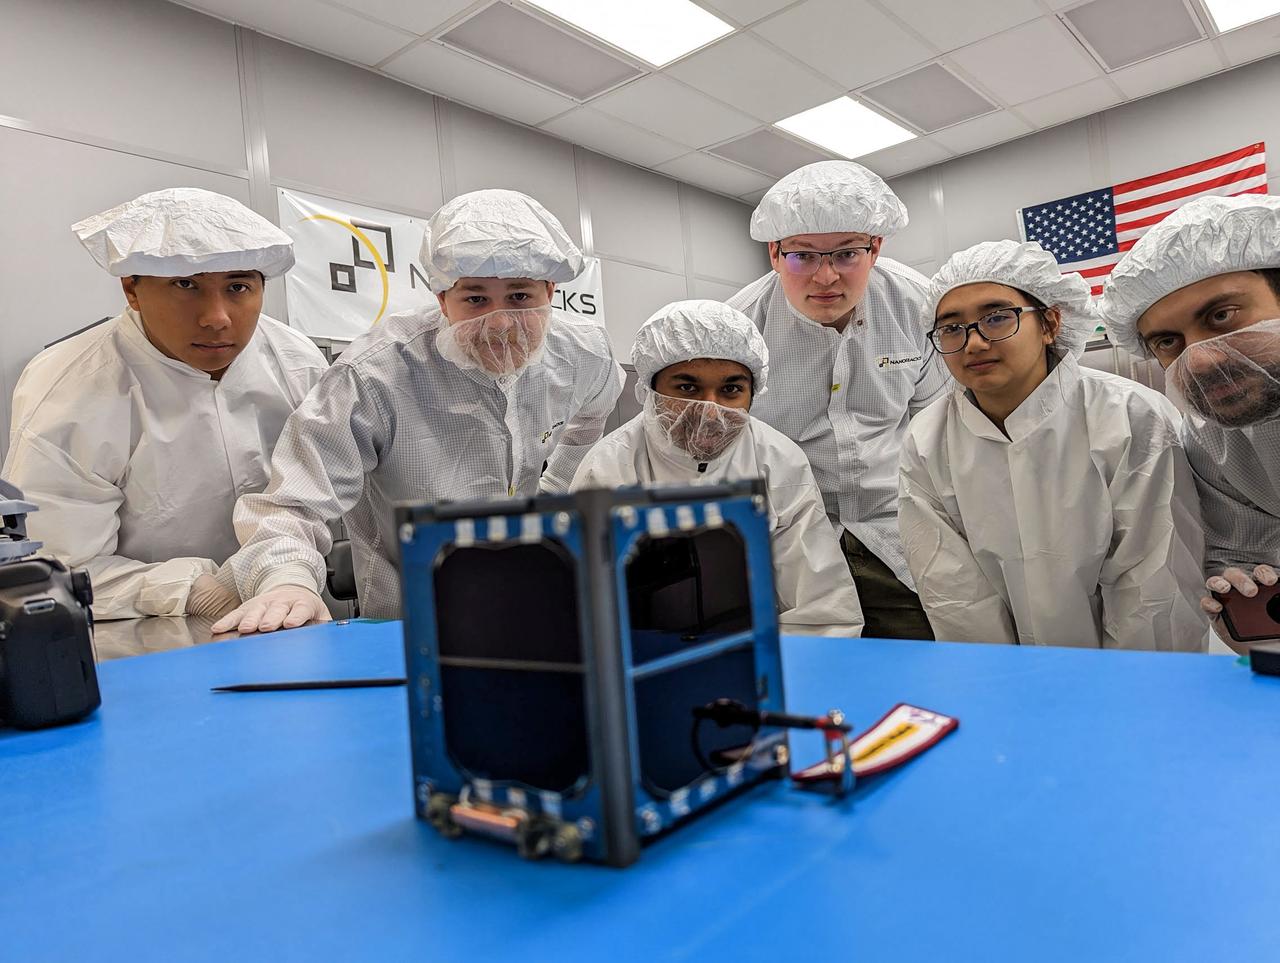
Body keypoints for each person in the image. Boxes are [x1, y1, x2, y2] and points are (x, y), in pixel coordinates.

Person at [212, 189, 623, 634]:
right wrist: (286, 580)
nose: (501, 323)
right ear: (443, 300)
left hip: (526, 592)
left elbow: (591, 419)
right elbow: (295, 499)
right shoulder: (375, 374)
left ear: (550, 293)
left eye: (520, 297)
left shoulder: (584, 353)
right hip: (410, 612)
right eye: (476, 299)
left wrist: (553, 490)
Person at [3, 188, 328, 620]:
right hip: (138, 635)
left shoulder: (295, 361)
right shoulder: (70, 387)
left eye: (238, 286)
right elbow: (56, 566)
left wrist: (286, 574)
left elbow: (311, 495)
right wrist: (189, 590)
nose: (217, 317)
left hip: (286, 616)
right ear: (131, 291)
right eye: (185, 285)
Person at [899, 239, 1206, 649]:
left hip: (1133, 676)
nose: (973, 343)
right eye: (951, 328)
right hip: (1001, 679)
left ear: (1050, 323)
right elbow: (953, 592)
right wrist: (1001, 685)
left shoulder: (1131, 415)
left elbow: (1153, 581)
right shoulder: (926, 439)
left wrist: (1129, 690)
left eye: (996, 318)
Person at [728, 161, 946, 640]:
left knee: (924, 666)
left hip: (898, 533)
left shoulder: (919, 307)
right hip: (790, 538)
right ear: (774, 253)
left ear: (876, 248)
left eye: (846, 254)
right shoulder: (741, 328)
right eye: (802, 256)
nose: (825, 277)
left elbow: (940, 427)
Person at [571, 299, 864, 638]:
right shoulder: (609, 466)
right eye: (687, 388)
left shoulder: (779, 460)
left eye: (730, 390)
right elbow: (586, 609)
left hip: (762, 653)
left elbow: (820, 607)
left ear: (753, 393)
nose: (710, 410)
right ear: (649, 390)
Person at [1099, 194, 1280, 646]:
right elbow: (1243, 550)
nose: (1199, 361)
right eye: (1167, 341)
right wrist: (1241, 589)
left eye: (1221, 316)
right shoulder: (1214, 440)